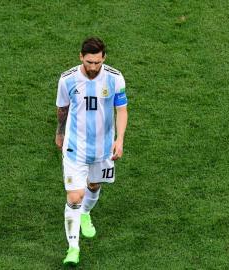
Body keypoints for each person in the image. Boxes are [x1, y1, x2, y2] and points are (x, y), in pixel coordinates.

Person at [55, 37, 128, 265]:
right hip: (75, 147)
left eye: (97, 62)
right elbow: (62, 109)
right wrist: (59, 132)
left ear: (103, 58)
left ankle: (85, 213)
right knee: (74, 196)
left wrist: (120, 139)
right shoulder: (67, 80)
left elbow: (122, 110)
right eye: (89, 62)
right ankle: (73, 249)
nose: (93, 67)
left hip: (103, 149)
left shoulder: (115, 78)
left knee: (94, 186)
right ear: (80, 57)